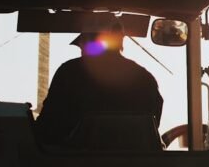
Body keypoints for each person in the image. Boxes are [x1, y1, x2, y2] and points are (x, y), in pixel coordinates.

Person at [35, 24, 164, 149]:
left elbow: (47, 128)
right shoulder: (145, 78)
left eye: (82, 45)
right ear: (120, 40)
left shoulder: (69, 73)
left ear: (87, 42)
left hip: (75, 166)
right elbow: (151, 128)